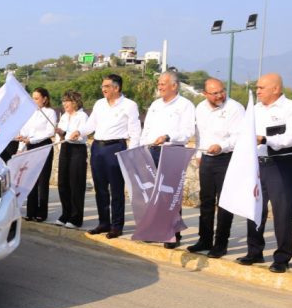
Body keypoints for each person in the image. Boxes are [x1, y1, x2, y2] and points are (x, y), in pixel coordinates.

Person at [237, 73, 292, 273]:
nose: (257, 91)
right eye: (257, 88)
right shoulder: (254, 110)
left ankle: (282, 257)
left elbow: (291, 138)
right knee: (255, 208)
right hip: (256, 164)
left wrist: (264, 139)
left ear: (275, 89)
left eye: (261, 88)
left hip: (280, 164)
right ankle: (254, 251)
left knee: (281, 211)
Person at [72, 74, 142, 238]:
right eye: (102, 86)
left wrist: (130, 154)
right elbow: (91, 125)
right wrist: (80, 132)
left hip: (116, 148)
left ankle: (117, 226)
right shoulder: (99, 104)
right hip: (98, 148)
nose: (103, 89)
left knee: (116, 189)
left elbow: (135, 132)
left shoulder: (129, 105)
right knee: (100, 189)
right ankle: (104, 223)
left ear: (116, 88)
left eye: (106, 86)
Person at [188, 78, 244, 258]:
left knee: (224, 203)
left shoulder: (235, 108)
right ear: (205, 94)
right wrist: (198, 155)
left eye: (222, 91)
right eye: (215, 93)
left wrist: (221, 145)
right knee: (206, 201)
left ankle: (221, 244)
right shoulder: (200, 108)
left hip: (226, 158)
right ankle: (204, 239)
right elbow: (199, 135)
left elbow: (238, 136)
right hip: (206, 158)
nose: (220, 95)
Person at [139, 70, 195, 248]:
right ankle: (156, 230)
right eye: (159, 84)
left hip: (173, 152)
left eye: (163, 83)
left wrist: (168, 136)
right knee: (154, 195)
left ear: (174, 85)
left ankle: (173, 234)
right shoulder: (155, 104)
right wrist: (142, 148)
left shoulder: (185, 105)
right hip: (153, 151)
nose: (160, 86)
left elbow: (188, 132)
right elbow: (146, 129)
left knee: (171, 194)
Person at [18, 87, 58, 222]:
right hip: (30, 146)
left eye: (36, 98)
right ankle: (31, 211)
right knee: (30, 180)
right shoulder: (30, 113)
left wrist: (32, 139)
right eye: (32, 98)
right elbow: (24, 132)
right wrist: (21, 146)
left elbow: (50, 132)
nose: (34, 101)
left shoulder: (50, 112)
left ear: (44, 99)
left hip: (43, 146)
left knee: (42, 180)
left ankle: (41, 212)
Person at [54, 91, 88, 228]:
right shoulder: (64, 117)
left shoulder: (82, 116)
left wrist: (65, 134)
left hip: (77, 150)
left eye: (67, 101)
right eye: (63, 101)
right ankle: (65, 213)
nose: (64, 104)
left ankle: (76, 217)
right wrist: (60, 135)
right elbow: (59, 138)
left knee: (76, 184)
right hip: (65, 148)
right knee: (63, 183)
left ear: (75, 102)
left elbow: (81, 137)